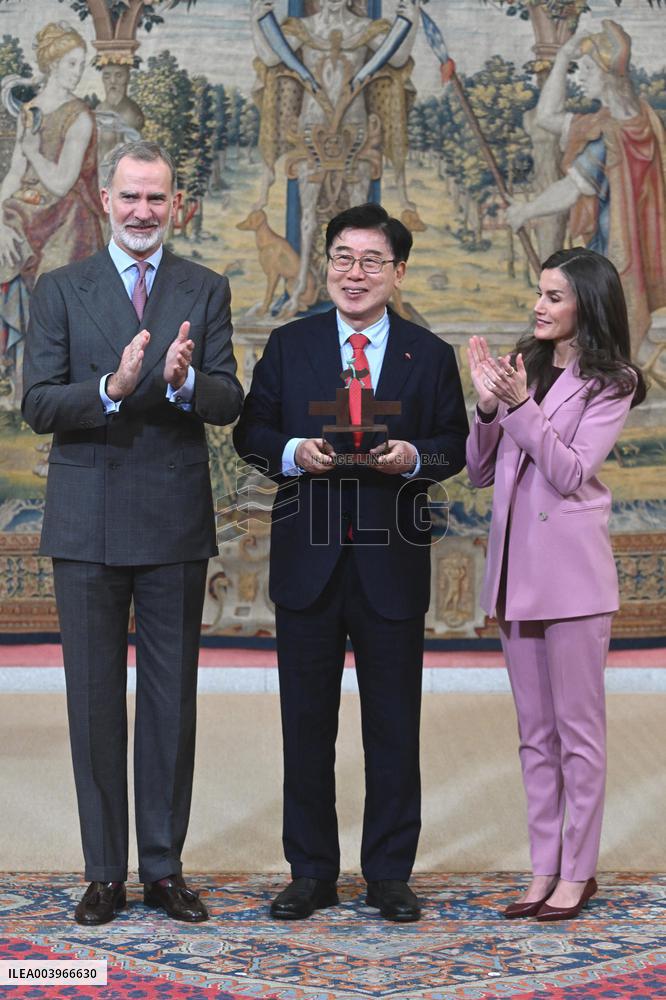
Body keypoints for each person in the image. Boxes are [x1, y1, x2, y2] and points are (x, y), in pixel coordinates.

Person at [21, 140, 243, 926]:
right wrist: (111, 388)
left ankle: (162, 867)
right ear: (104, 203)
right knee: (92, 705)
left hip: (174, 522)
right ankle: (105, 872)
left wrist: (183, 385)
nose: (143, 211)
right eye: (129, 198)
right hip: (85, 523)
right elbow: (36, 403)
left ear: (175, 204)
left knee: (169, 703)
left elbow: (229, 399)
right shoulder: (59, 289)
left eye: (157, 199)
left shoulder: (204, 288)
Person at [233, 202, 468, 922]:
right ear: (325, 264)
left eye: (371, 261)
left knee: (393, 725)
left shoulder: (427, 355)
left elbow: (453, 444)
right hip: (308, 557)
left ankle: (389, 873)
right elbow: (251, 430)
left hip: (391, 563)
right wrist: (290, 454)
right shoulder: (291, 343)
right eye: (342, 257)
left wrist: (412, 458)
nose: (354, 273)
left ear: (397, 271)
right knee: (306, 725)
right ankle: (309, 871)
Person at [466, 247, 646, 922]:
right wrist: (488, 409)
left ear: (587, 306)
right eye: (538, 295)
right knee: (533, 734)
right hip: (515, 575)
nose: (538, 308)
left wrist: (519, 410)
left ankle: (579, 871)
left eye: (553, 297)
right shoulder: (524, 371)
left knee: (579, 734)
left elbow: (570, 471)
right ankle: (542, 868)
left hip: (571, 580)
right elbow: (480, 471)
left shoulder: (614, 382)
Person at [250, 0, 423, 314]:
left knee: (362, 221)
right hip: (310, 131)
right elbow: (272, 55)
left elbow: (396, 58)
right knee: (306, 217)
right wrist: (257, 18)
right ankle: (301, 286)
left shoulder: (361, 29)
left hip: (355, 135)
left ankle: (364, 296)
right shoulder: (305, 28)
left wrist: (412, 21)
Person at [506, 20, 666, 354]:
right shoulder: (643, 120)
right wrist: (564, 56)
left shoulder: (607, 136)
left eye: (587, 69)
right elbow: (547, 117)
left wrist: (525, 210)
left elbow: (571, 189)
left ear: (607, 76)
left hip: (613, 256)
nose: (582, 78)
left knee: (606, 347)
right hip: (631, 254)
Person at [0, 22, 104, 394]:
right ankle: (12, 376)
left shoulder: (80, 117)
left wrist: (31, 152)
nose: (79, 72)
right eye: (73, 63)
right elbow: (15, 173)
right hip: (29, 212)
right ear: (54, 64)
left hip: (67, 219)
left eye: (82, 64)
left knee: (56, 302)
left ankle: (58, 390)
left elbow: (61, 183)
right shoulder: (29, 110)